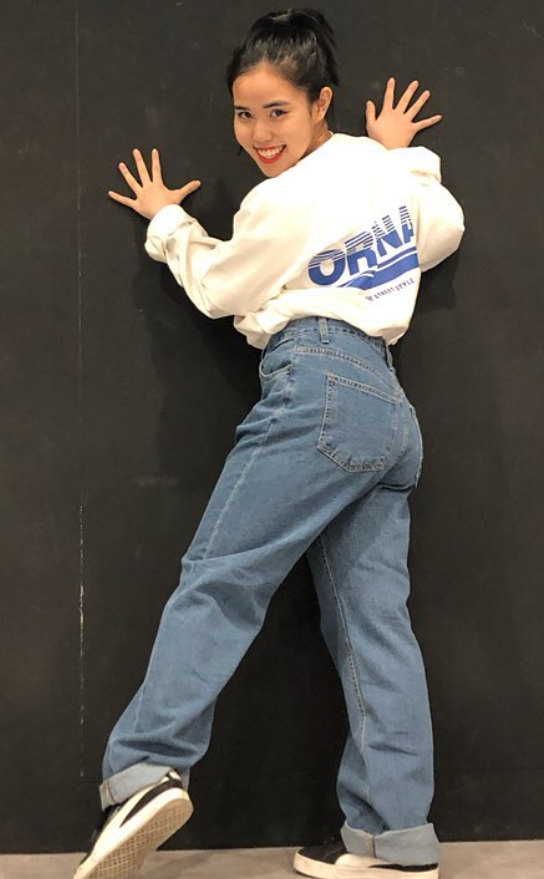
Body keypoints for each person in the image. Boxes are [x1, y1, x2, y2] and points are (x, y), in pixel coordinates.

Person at [73, 8, 465, 879]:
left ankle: (146, 767)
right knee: (374, 625)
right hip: (388, 411)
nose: (259, 134)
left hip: (318, 386)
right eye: (244, 115)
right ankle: (393, 834)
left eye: (278, 111)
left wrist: (168, 222)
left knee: (222, 575)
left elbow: (219, 287)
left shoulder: (278, 200)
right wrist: (399, 156)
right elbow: (442, 227)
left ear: (321, 102)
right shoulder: (377, 169)